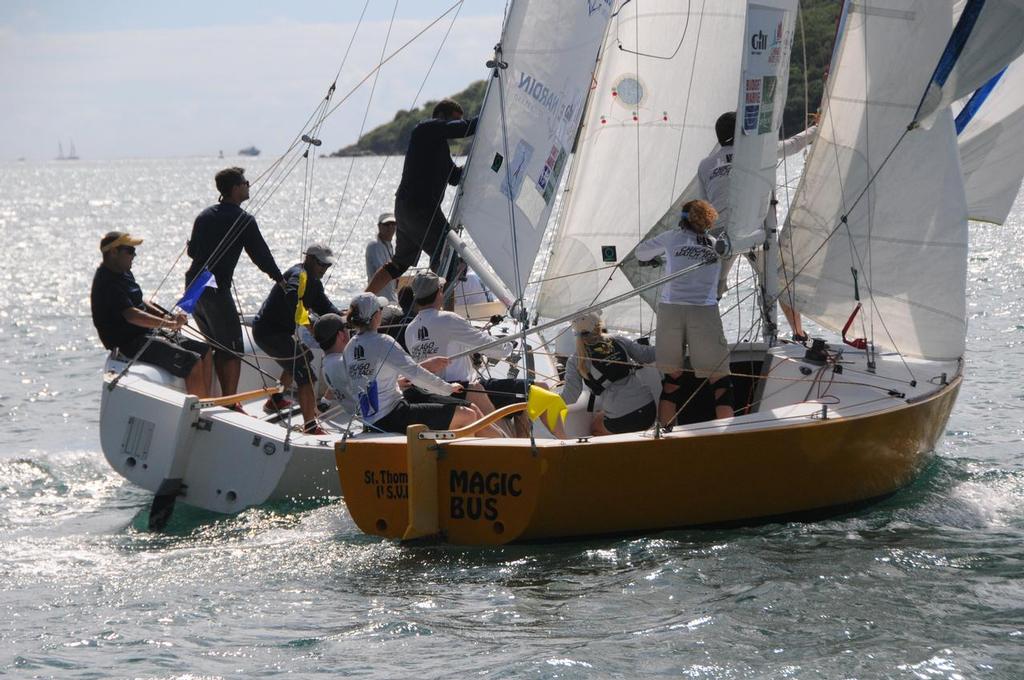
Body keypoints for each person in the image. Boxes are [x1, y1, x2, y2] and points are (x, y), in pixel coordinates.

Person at [698, 111, 815, 340]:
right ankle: (798, 334)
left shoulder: (706, 164)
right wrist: (816, 127)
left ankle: (703, 340)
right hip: (755, 230)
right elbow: (795, 144)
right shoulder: (759, 153)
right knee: (780, 281)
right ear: (743, 133)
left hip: (722, 235)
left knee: (712, 291)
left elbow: (704, 207)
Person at [343, 293, 504, 437]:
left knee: (469, 409)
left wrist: (398, 382)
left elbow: (357, 385)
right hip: (393, 415)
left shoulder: (349, 348)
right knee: (467, 415)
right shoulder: (382, 342)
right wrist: (447, 388)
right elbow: (416, 374)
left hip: (372, 420)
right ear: (376, 315)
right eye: (380, 309)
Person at [185, 167, 284, 398]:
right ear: (235, 188)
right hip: (214, 286)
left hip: (193, 285)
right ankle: (230, 402)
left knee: (218, 345)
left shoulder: (204, 215)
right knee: (232, 347)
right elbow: (261, 255)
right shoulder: (244, 220)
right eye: (245, 182)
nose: (249, 185)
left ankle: (220, 398)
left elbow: (193, 253)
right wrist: (279, 279)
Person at [635, 199, 734, 424]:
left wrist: (659, 258)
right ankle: (729, 433)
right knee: (720, 381)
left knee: (672, 378)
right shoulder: (715, 244)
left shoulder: (671, 238)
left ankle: (666, 434)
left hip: (672, 311)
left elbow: (641, 253)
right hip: (704, 311)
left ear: (683, 220)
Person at [366, 99, 478, 296]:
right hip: (420, 209)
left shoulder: (439, 148)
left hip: (408, 208)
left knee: (399, 264)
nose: (456, 124)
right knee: (450, 262)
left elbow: (454, 177)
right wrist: (487, 117)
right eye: (455, 119)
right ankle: (438, 315)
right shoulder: (426, 129)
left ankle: (363, 297)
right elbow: (466, 128)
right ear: (443, 116)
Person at [91, 231, 212, 398]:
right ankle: (201, 414)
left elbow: (141, 301)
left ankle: (210, 401)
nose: (134, 255)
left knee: (205, 351)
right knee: (192, 361)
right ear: (113, 252)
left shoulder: (124, 272)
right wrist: (170, 324)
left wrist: (165, 316)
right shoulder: (107, 282)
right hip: (130, 342)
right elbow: (132, 315)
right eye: (130, 251)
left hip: (147, 333)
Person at [403, 271, 519, 434]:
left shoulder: (410, 330)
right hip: (461, 389)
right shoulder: (448, 319)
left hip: (433, 393)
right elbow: (491, 348)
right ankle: (517, 446)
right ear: (439, 293)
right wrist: (508, 346)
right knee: (520, 398)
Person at [252, 244, 341, 435]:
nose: (324, 269)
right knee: (305, 373)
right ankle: (310, 426)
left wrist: (344, 318)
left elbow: (325, 307)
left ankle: (274, 401)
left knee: (305, 356)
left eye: (327, 266)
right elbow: (291, 296)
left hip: (281, 333)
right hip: (268, 332)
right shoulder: (298, 274)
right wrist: (308, 321)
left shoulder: (314, 283)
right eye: (321, 264)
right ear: (308, 259)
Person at [559, 312, 657, 436]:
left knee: (595, 427)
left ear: (575, 333)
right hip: (648, 410)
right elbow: (647, 355)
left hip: (622, 419)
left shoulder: (575, 360)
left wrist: (547, 402)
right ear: (600, 326)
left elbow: (570, 397)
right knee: (603, 413)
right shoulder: (617, 340)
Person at [313, 312, 357, 416]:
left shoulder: (327, 363)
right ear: (341, 335)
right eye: (346, 327)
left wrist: (325, 402)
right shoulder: (345, 364)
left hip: (355, 414)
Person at [365, 213, 398, 303]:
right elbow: (382, 270)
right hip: (380, 301)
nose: (390, 227)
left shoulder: (389, 245)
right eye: (387, 225)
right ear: (379, 226)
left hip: (391, 299)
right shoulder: (375, 245)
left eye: (393, 224)